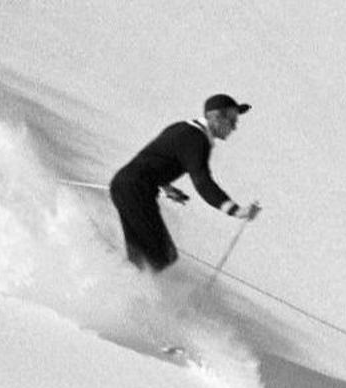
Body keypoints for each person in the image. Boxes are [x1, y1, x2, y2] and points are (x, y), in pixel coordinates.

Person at [109, 94, 262, 272]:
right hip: (135, 191)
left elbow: (156, 157)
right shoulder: (196, 140)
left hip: (127, 187)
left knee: (142, 257)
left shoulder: (184, 129)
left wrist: (165, 185)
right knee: (161, 257)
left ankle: (123, 288)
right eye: (232, 119)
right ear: (216, 117)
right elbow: (202, 182)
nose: (234, 127)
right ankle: (135, 291)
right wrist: (236, 210)